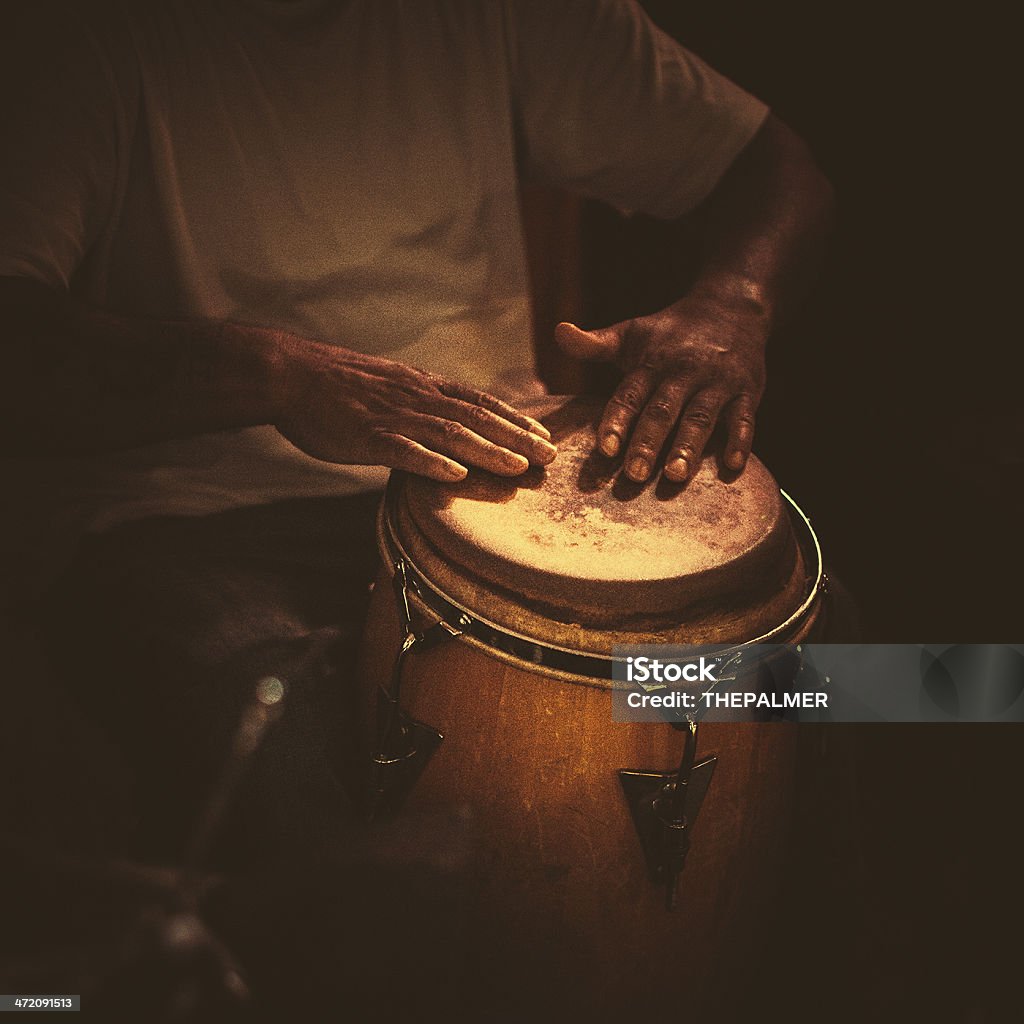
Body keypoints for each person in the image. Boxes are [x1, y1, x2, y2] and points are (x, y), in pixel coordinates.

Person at [0, 0, 832, 863]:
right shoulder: (80, 35)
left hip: (489, 485)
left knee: (837, 671)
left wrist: (734, 305)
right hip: (191, 520)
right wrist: (274, 376)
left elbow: (778, 171)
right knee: (292, 765)